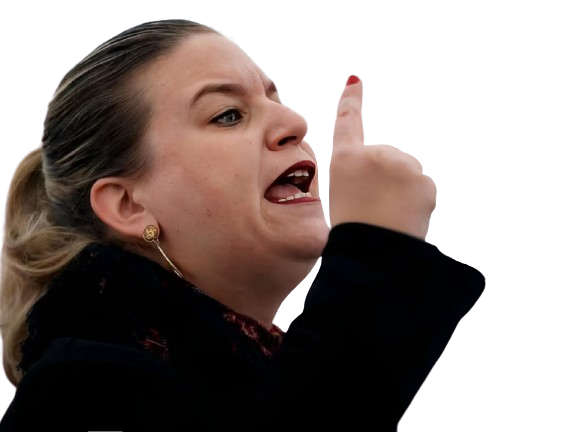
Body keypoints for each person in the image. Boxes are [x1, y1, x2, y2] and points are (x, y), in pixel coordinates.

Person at [0, 19, 485, 431]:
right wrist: (379, 255)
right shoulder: (80, 394)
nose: (296, 122)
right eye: (228, 115)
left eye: (277, 98)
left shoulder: (248, 381)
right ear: (128, 205)